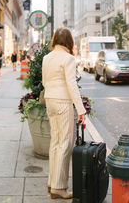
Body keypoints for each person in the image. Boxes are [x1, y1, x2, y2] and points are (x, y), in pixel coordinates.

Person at [42, 27, 86, 199]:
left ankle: (52, 182)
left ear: (54, 40)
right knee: (65, 143)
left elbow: (45, 81)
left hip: (50, 100)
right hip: (63, 102)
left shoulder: (47, 58)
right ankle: (59, 187)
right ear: (69, 41)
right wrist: (81, 109)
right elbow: (71, 85)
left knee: (55, 142)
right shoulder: (68, 59)